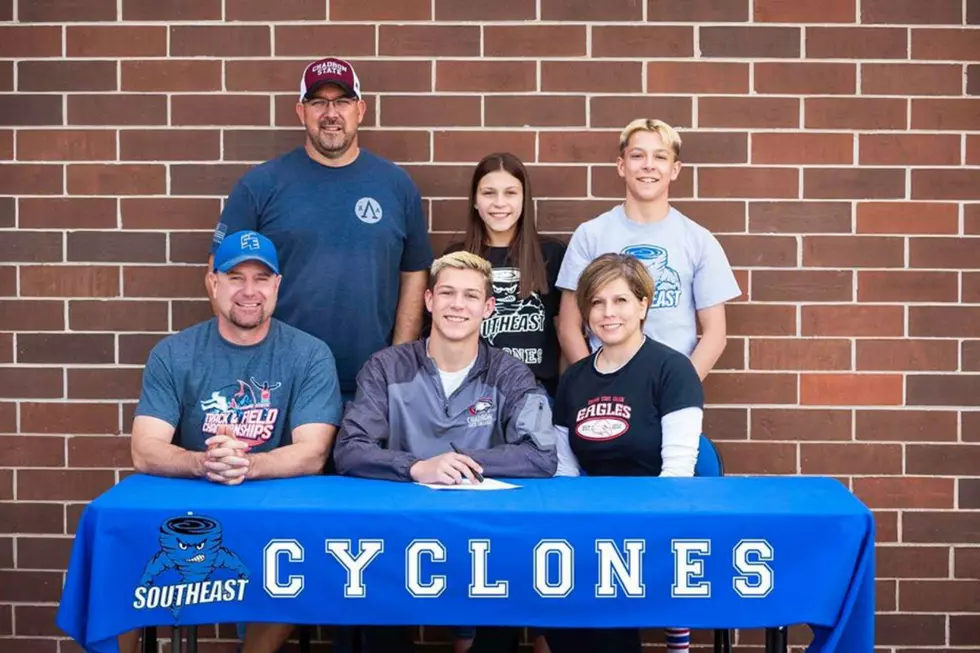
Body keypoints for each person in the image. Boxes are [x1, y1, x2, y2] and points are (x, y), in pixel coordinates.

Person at [120, 230, 343, 653]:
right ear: (213, 282)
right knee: (120, 553)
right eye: (236, 276)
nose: (249, 291)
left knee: (302, 555)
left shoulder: (309, 354)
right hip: (191, 503)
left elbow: (313, 452)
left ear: (277, 286)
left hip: (274, 508)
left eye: (261, 278)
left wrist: (247, 465)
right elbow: (145, 448)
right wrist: (204, 463)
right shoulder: (174, 353)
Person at [334, 251, 563, 653]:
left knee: (504, 611)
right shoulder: (385, 368)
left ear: (488, 307)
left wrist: (459, 465)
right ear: (429, 301)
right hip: (398, 532)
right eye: (448, 293)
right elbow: (350, 450)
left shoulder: (509, 372)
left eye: (471, 296)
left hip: (485, 535)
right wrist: (418, 467)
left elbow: (542, 453)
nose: (458, 305)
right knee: (369, 614)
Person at [209, 56, 433, 403]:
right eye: (319, 102)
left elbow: (414, 273)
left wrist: (397, 360)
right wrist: (245, 353)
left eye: (342, 101)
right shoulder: (261, 185)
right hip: (277, 381)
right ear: (301, 111)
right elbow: (218, 272)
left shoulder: (396, 185)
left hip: (371, 383)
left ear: (360, 109)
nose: (331, 113)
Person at [546, 254, 705, 653]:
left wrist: (627, 529)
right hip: (591, 522)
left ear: (643, 305)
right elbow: (564, 471)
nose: (607, 313)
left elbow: (679, 473)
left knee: (603, 616)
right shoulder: (575, 379)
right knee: (553, 598)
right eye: (596, 303)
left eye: (620, 301)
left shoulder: (672, 369)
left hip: (654, 523)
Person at [555, 119, 740, 382]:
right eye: (637, 155)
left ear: (674, 169)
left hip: (668, 387)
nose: (648, 165)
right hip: (605, 386)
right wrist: (594, 385)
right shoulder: (591, 235)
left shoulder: (698, 239)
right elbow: (568, 327)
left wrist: (680, 388)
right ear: (622, 165)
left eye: (660, 157)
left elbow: (715, 333)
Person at [445, 152, 566, 398]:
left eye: (510, 193)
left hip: (534, 390)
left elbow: (565, 331)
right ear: (475, 201)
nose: (499, 202)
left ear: (524, 199)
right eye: (489, 193)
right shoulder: (457, 257)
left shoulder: (551, 255)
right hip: (471, 390)